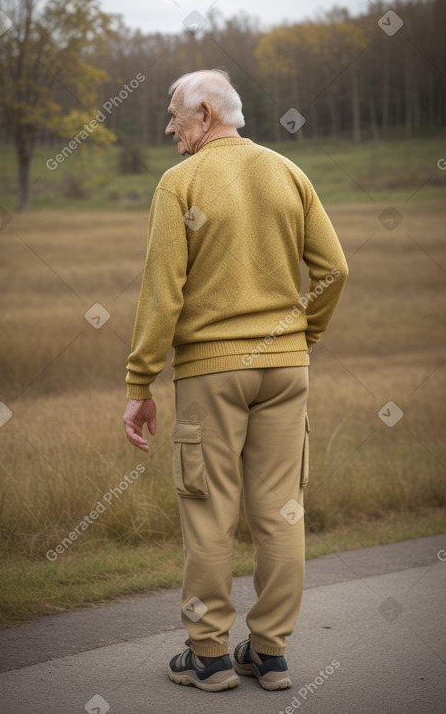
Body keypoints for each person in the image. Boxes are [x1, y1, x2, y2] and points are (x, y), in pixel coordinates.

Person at [123, 69, 348, 693]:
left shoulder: (180, 182)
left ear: (203, 111)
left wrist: (139, 384)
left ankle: (210, 658)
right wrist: (305, 338)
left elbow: (162, 295)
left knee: (208, 515)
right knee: (282, 512)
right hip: (286, 369)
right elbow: (335, 269)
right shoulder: (287, 172)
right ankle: (270, 655)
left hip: (210, 374)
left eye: (174, 115)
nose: (169, 127)